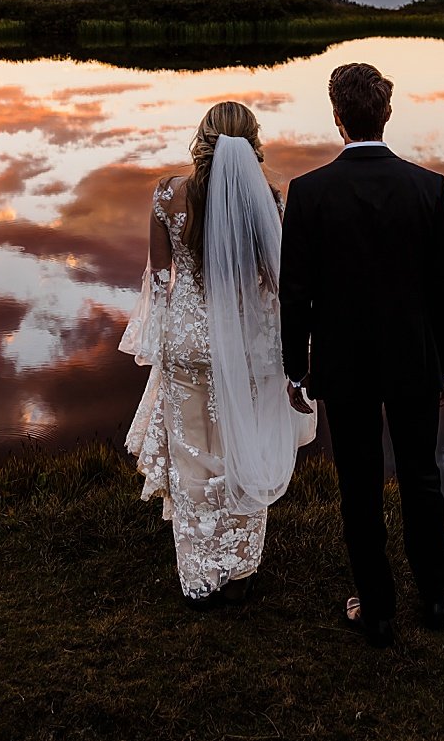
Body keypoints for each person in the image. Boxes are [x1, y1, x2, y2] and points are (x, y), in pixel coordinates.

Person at [279, 63, 444, 647]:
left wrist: (296, 368)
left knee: (358, 483)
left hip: (346, 365)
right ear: (386, 114)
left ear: (338, 119)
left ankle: (378, 609)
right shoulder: (428, 187)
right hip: (414, 359)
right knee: (421, 475)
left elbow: (296, 292)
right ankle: (436, 596)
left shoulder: (309, 193)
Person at [120, 101, 318, 606]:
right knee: (240, 450)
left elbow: (161, 281)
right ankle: (240, 569)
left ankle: (199, 575)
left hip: (186, 341)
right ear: (253, 144)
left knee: (193, 461)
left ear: (202, 139)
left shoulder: (168, 194)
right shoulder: (268, 201)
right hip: (245, 344)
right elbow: (277, 284)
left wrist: (162, 338)